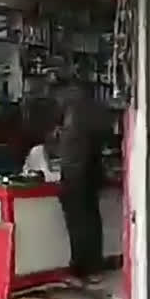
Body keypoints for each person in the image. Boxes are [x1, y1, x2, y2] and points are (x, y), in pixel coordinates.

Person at [53, 79, 106, 285]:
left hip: (77, 176)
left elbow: (73, 154)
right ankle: (93, 268)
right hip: (90, 175)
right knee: (91, 221)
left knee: (78, 224)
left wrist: (67, 177)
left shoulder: (74, 119)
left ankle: (80, 269)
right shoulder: (93, 115)